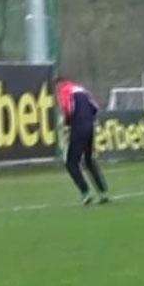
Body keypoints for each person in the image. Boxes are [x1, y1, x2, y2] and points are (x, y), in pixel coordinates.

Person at [56, 76, 109, 205]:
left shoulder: (65, 90)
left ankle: (85, 193)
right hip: (90, 126)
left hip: (78, 127)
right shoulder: (82, 90)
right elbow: (95, 108)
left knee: (71, 162)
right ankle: (103, 192)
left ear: (60, 84)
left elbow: (68, 109)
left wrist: (68, 123)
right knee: (88, 159)